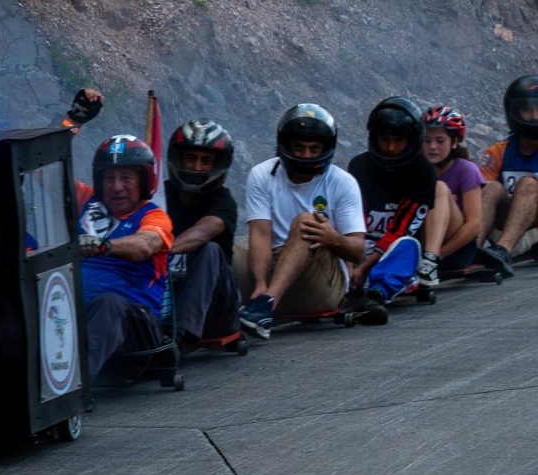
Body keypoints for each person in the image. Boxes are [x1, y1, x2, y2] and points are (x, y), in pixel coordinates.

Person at [235, 104, 365, 340]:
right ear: (285, 145)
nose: (306, 156)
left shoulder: (343, 183)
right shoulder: (262, 175)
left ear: (326, 149)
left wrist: (333, 238)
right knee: (219, 246)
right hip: (271, 271)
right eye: (299, 148)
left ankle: (265, 306)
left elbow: (357, 251)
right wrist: (260, 283)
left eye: (314, 149)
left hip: (320, 281)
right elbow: (261, 234)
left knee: (307, 222)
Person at [77, 134, 174, 378]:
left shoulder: (154, 217)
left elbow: (144, 244)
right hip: (78, 312)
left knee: (108, 303)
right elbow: (46, 167)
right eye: (109, 178)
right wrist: (72, 123)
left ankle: (75, 388)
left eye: (126, 178)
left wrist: (104, 246)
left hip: (137, 325)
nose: (117, 186)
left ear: (143, 182)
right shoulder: (86, 202)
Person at [346, 97, 436, 325]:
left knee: (409, 246)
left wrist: (365, 267)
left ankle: (375, 296)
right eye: (384, 140)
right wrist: (351, 261)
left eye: (398, 140)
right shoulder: (359, 166)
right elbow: (348, 220)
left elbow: (402, 228)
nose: (391, 148)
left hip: (391, 251)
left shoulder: (423, 172)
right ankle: (346, 287)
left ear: (412, 140)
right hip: (356, 246)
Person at [163, 119, 241, 343]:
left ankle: (176, 337)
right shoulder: (158, 196)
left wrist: (158, 248)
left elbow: (203, 231)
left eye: (206, 161)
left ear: (218, 166)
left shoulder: (223, 202)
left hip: (216, 309)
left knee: (209, 250)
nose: (196, 168)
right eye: (191, 158)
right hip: (165, 297)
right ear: (178, 159)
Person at [475, 74, 538, 276]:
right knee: (490, 187)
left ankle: (502, 250)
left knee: (529, 184)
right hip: (506, 222)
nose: (535, 116)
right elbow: (480, 195)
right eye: (528, 111)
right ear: (514, 113)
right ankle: (471, 249)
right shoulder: (498, 152)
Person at [417, 105, 484, 285]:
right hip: (420, 245)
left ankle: (429, 261)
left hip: (456, 249)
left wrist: (437, 256)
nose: (432, 147)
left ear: (454, 142)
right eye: (426, 140)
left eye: (440, 141)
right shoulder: (416, 169)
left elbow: (474, 225)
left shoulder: (466, 170)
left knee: (438, 187)